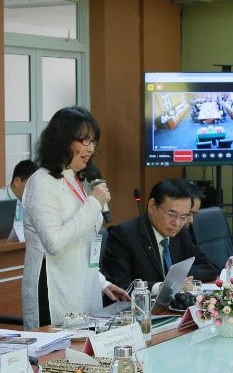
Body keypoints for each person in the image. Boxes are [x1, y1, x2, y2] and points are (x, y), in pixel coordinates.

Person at [20, 107, 127, 329]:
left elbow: (83, 242)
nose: (91, 148)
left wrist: (101, 282)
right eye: (84, 140)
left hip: (84, 287)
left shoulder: (74, 179)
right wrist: (94, 203)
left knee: (88, 346)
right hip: (53, 287)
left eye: (93, 141)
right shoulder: (42, 182)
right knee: (61, 350)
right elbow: (55, 243)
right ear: (62, 141)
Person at [101, 178, 220, 290]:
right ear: (152, 207)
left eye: (184, 216)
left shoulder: (181, 234)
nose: (177, 223)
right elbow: (120, 286)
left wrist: (176, 276)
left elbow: (210, 267)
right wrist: (163, 285)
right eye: (172, 214)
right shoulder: (124, 235)